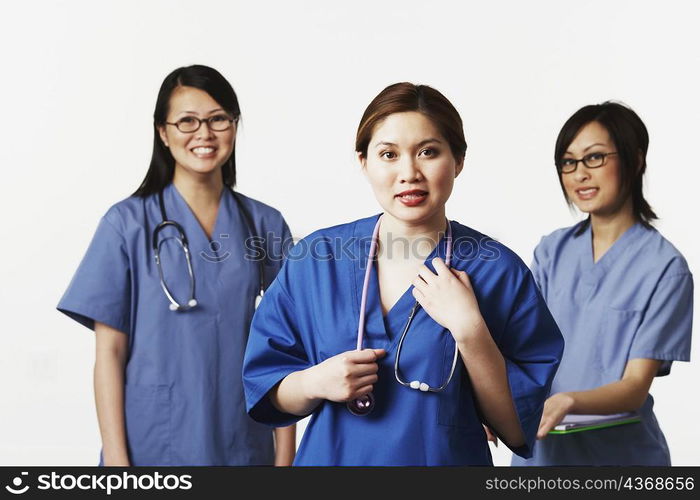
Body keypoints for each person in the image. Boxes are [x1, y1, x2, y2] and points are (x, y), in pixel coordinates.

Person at [242, 83, 564, 465]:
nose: (409, 173)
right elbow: (265, 388)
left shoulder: (497, 270)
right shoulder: (318, 259)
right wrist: (315, 382)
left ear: (458, 160)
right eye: (389, 154)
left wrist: (470, 331)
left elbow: (514, 428)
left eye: (428, 152)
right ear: (363, 162)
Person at [57, 65, 295, 466]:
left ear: (235, 127)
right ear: (163, 133)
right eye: (187, 121)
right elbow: (109, 353)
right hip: (152, 441)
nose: (204, 133)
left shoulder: (264, 224)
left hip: (241, 440)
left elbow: (289, 345)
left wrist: (284, 458)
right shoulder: (125, 224)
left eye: (218, 119)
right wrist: (117, 463)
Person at [512, 102, 694, 466]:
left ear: (635, 160)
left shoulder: (665, 268)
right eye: (568, 162)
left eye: (594, 158)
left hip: (620, 463)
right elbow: (520, 349)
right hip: (541, 456)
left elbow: (633, 388)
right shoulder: (552, 251)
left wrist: (570, 401)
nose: (579, 174)